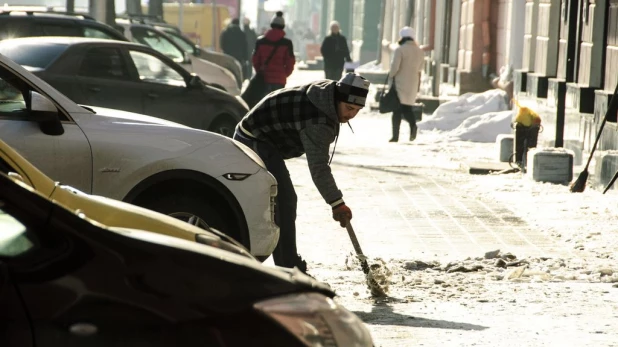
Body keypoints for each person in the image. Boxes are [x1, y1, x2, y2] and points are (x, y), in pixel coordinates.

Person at [233, 73, 370, 273]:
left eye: (357, 110)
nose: (351, 115)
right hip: (253, 139)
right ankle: (288, 267)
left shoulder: (327, 93)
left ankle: (285, 260)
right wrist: (337, 203)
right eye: (349, 108)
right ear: (338, 99)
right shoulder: (318, 122)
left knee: (281, 199)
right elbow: (319, 168)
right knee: (285, 199)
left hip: (261, 135)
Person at [388, 26, 425, 142]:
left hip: (400, 83)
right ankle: (413, 126)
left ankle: (395, 136)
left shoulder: (400, 50)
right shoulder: (420, 51)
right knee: (407, 108)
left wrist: (390, 75)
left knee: (397, 110)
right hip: (413, 82)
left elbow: (395, 68)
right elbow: (420, 68)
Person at [252, 11, 295, 93]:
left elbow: (255, 59)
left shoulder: (260, 41)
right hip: (280, 80)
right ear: (283, 26)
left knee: (265, 103)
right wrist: (284, 74)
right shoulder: (287, 43)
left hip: (264, 78)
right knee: (277, 103)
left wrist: (260, 71)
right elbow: (290, 62)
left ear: (271, 25)